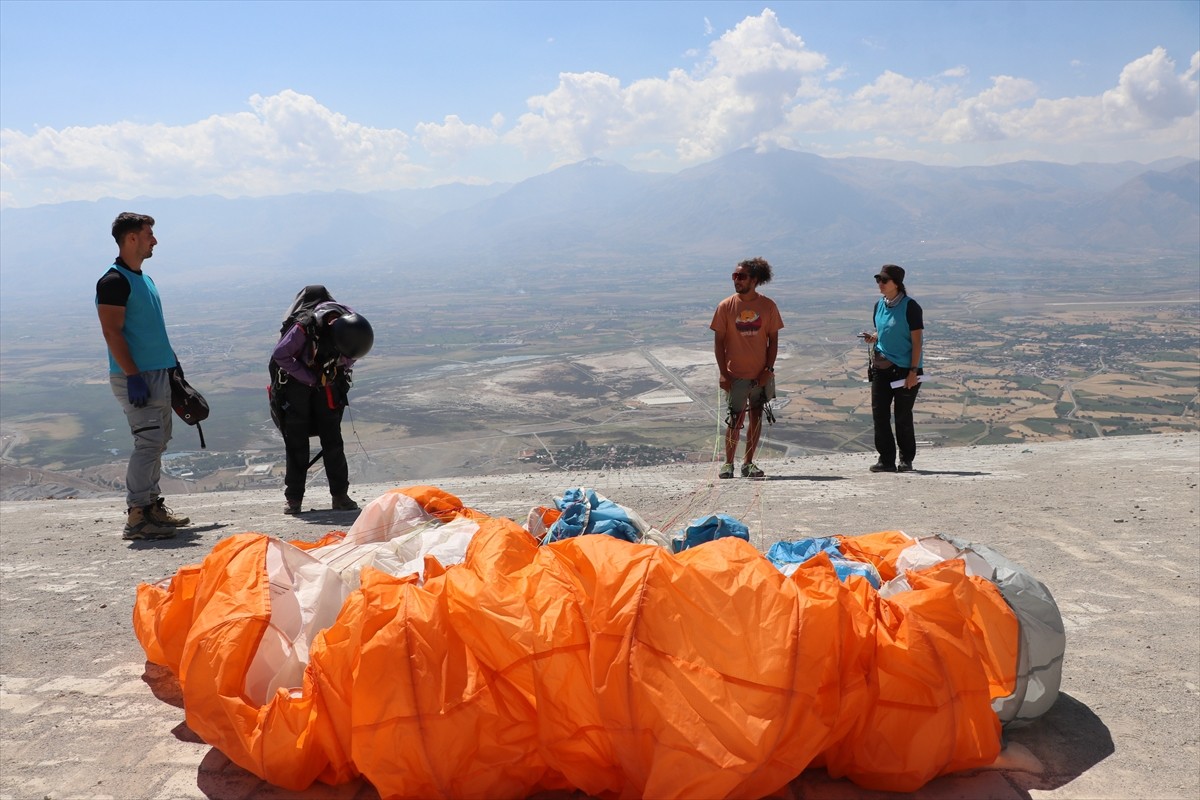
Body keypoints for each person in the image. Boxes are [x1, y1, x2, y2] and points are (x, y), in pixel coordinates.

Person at [96, 212, 190, 540]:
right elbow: (112, 332)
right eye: (149, 234)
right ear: (131, 238)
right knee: (148, 442)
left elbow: (151, 331)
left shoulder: (144, 280)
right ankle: (137, 516)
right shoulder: (113, 282)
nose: (155, 240)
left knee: (158, 442)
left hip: (157, 373)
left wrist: (171, 365)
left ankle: (152, 508)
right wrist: (132, 374)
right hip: (136, 378)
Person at [271, 302, 373, 514]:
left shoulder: (353, 327)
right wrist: (310, 378)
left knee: (333, 441)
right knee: (296, 441)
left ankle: (339, 496)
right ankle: (294, 498)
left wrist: (338, 367)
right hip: (297, 386)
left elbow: (352, 354)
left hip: (328, 384)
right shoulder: (304, 327)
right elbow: (281, 355)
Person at [710, 257, 784, 479]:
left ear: (755, 280)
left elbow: (773, 341)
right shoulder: (725, 306)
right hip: (735, 376)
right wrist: (723, 373)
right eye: (734, 276)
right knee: (734, 420)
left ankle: (748, 463)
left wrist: (767, 370)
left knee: (756, 419)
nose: (736, 280)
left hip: (760, 375)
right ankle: (728, 463)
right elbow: (719, 342)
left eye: (741, 276)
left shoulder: (768, 306)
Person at [861, 264, 924, 473]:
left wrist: (913, 372)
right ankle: (886, 460)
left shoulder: (910, 307)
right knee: (879, 414)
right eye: (878, 279)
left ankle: (906, 460)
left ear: (896, 283)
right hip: (881, 367)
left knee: (902, 416)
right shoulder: (879, 305)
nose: (880, 283)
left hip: (905, 370)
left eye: (884, 280)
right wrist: (874, 337)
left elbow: (917, 342)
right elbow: (882, 330)